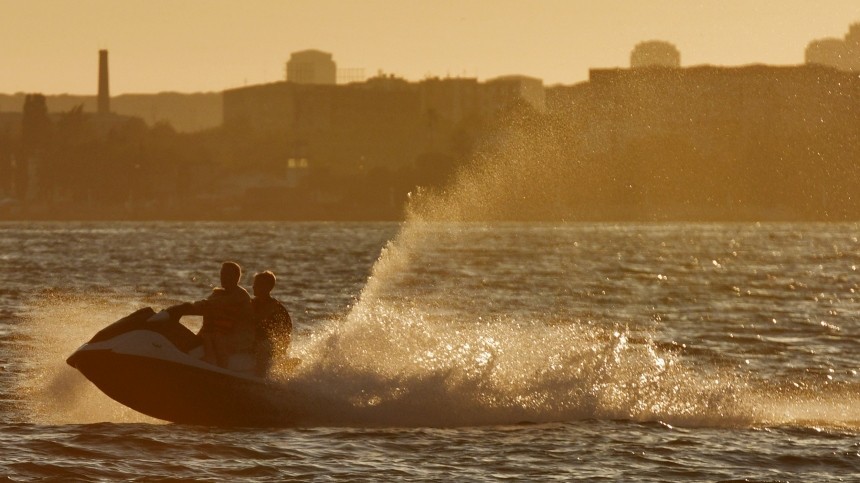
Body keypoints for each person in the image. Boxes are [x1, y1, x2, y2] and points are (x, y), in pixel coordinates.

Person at [165, 261, 254, 367]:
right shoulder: (218, 294)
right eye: (222, 274)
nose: (223, 278)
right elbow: (203, 307)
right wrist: (177, 310)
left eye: (226, 275)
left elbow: (212, 304)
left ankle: (220, 365)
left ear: (236, 277)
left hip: (237, 338)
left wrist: (186, 307)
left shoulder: (240, 295)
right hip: (218, 334)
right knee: (200, 337)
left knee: (213, 336)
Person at [251, 270, 292, 376]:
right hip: (254, 340)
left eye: (256, 284)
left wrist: (280, 351)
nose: (253, 286)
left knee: (264, 346)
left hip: (270, 346)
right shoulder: (253, 303)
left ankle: (260, 379)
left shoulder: (275, 308)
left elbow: (286, 332)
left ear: (266, 287)